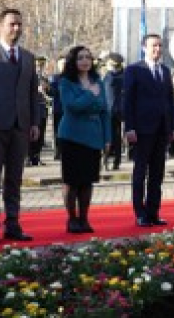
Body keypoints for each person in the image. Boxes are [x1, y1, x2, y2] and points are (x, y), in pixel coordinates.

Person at [0, 9, 43, 244]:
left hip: (21, 127)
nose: (16, 28)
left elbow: (32, 93)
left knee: (15, 179)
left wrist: (35, 122)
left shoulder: (28, 57)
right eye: (11, 24)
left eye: (19, 24)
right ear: (1, 26)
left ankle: (13, 224)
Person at [123, 33, 174, 227]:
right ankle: (140, 213)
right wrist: (129, 127)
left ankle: (153, 212)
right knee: (140, 172)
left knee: (157, 173)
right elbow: (128, 100)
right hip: (142, 129)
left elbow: (170, 101)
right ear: (144, 47)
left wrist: (172, 127)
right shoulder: (134, 70)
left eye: (160, 46)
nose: (158, 49)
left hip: (162, 129)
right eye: (154, 46)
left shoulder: (165, 70)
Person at [57, 46, 111, 233]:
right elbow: (72, 107)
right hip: (72, 136)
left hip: (93, 137)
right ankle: (71, 219)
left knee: (88, 181)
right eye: (80, 58)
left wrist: (107, 137)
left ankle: (84, 219)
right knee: (72, 181)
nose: (85, 61)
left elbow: (104, 111)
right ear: (73, 61)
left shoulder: (98, 81)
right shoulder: (66, 82)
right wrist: (89, 93)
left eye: (88, 57)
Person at [102, 53, 125, 170]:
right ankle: (115, 161)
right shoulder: (121, 75)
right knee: (115, 137)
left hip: (110, 111)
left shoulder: (111, 76)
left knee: (109, 137)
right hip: (115, 111)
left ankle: (107, 160)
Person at [27, 56, 51, 166]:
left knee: (41, 135)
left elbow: (50, 93)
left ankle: (37, 157)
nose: (39, 67)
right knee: (31, 134)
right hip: (32, 109)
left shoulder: (44, 78)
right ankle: (28, 157)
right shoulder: (29, 76)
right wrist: (36, 90)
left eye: (41, 65)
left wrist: (46, 89)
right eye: (38, 65)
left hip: (42, 108)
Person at [50, 56, 66, 160]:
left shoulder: (72, 77)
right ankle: (58, 152)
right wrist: (47, 88)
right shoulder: (55, 78)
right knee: (57, 132)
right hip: (58, 109)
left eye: (64, 63)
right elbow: (51, 92)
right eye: (61, 64)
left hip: (68, 110)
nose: (63, 66)